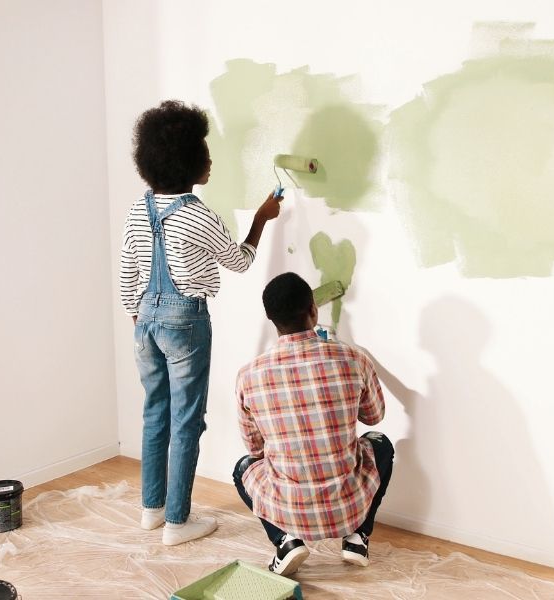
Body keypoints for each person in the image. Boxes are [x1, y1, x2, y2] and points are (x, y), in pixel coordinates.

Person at [120, 100, 282, 546]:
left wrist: (142, 317)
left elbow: (128, 274)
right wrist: (260, 220)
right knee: (187, 420)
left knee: (155, 413)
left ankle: (151, 510)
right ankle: (177, 522)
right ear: (186, 160)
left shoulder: (138, 210)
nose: (210, 159)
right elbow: (240, 261)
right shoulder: (197, 214)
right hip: (185, 322)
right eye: (204, 150)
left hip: (144, 320)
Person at [233, 272, 395, 575]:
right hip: (347, 502)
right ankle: (357, 537)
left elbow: (255, 449)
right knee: (380, 443)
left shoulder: (248, 375)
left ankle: (285, 541)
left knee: (243, 467)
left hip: (289, 506)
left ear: (271, 319)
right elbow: (373, 417)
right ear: (313, 310)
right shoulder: (353, 358)